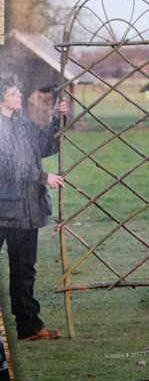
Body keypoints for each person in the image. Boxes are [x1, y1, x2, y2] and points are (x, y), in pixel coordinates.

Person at [0, 75, 66, 340]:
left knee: (24, 271)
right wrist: (43, 177)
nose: (20, 96)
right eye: (14, 93)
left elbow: (47, 145)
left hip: (27, 210)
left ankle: (28, 327)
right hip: (3, 210)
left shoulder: (21, 122)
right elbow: (7, 165)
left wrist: (57, 120)